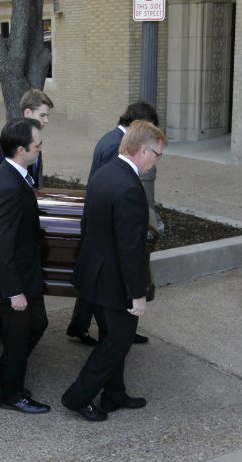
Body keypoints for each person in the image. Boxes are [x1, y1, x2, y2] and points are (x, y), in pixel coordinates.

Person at [61, 121, 164, 422]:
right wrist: (138, 294)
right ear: (143, 150)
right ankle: (77, 397)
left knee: (111, 334)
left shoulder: (105, 173)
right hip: (113, 280)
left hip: (94, 273)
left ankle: (114, 394)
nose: (157, 160)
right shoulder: (131, 189)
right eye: (157, 154)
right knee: (118, 340)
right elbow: (129, 250)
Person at [66, 101, 161, 348]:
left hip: (99, 256)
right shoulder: (116, 150)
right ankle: (105, 332)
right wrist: (136, 293)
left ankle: (92, 328)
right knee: (113, 338)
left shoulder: (111, 139)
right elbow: (125, 237)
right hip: (106, 259)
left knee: (111, 329)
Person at [0, 118, 51, 415]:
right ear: (21, 150)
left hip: (26, 272)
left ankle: (0, 372)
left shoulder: (15, 174)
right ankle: (12, 394)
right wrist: (13, 291)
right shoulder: (8, 184)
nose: (41, 149)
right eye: (37, 145)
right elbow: (1, 243)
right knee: (18, 337)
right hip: (14, 279)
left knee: (39, 323)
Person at [0, 89, 53, 189]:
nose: (46, 121)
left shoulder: (36, 140)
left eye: (47, 116)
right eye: (42, 115)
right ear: (28, 113)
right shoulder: (10, 141)